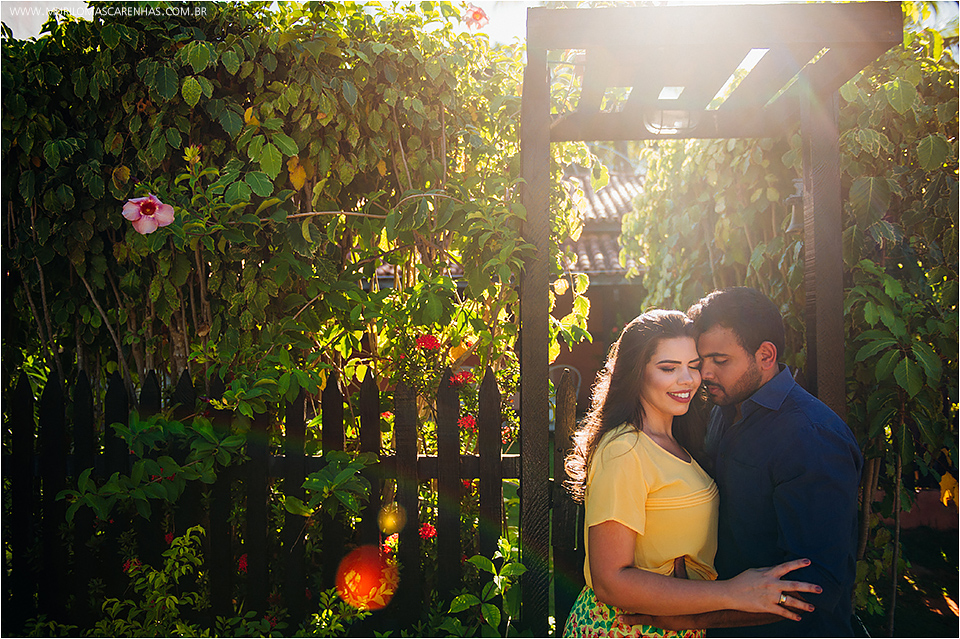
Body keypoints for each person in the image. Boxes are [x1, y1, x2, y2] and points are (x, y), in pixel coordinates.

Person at [562, 309, 822, 638]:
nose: (687, 379)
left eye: (693, 365)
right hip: (625, 628)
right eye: (668, 368)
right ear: (635, 373)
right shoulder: (624, 450)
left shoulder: (677, 439)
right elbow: (610, 582)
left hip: (675, 624)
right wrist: (733, 592)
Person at [620, 288, 863, 637]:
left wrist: (693, 619)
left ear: (765, 355)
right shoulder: (724, 409)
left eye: (720, 360)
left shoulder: (811, 437)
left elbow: (813, 585)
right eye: (702, 360)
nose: (705, 374)